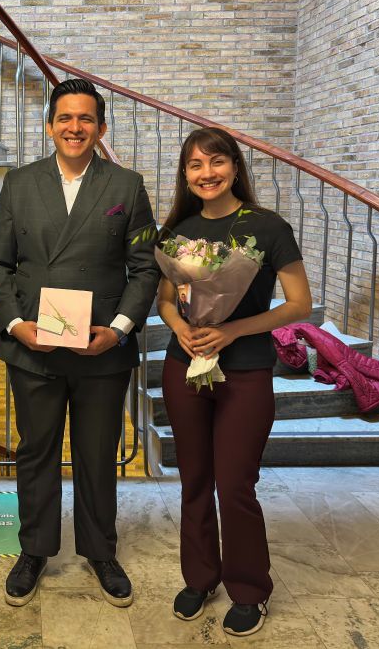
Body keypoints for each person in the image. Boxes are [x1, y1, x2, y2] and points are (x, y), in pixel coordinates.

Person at [0, 78, 160, 608]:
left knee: (96, 454)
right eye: (65, 118)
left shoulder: (126, 186)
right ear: (50, 125)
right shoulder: (18, 184)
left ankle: (99, 550)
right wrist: (16, 324)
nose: (75, 127)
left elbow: (145, 266)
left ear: (100, 128)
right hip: (33, 347)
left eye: (86, 119)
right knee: (35, 451)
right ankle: (34, 550)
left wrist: (121, 329)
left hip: (100, 349)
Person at [157, 126, 311, 637]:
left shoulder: (266, 228)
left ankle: (249, 589)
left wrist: (230, 330)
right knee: (194, 479)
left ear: (235, 167)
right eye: (196, 165)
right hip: (186, 367)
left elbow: (298, 304)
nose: (207, 173)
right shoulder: (177, 229)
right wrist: (183, 329)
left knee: (236, 485)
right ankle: (200, 577)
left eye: (216, 162)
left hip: (244, 371)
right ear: (186, 174)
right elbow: (164, 299)